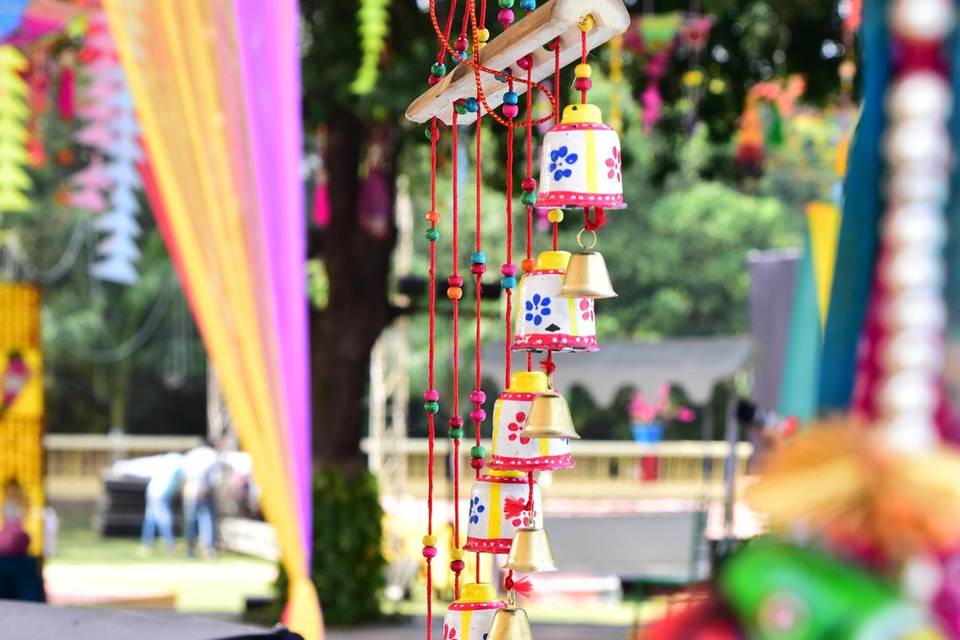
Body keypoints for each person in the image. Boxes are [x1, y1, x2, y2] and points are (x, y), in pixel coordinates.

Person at [182, 440, 220, 558]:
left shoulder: (191, 454)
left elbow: (184, 475)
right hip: (204, 491)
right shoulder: (212, 455)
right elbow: (215, 479)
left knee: (190, 521)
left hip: (189, 491)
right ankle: (208, 548)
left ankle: (190, 549)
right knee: (206, 519)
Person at [140, 452, 183, 553]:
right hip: (161, 494)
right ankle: (170, 545)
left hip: (152, 491)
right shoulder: (181, 462)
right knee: (164, 519)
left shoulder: (167, 459)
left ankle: (147, 545)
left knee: (150, 519)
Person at [0, 480, 30, 557]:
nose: (12, 492)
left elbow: (25, 514)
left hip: (18, 532)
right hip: (6, 533)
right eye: (10, 489)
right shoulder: (4, 503)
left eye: (14, 489)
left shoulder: (21, 502)